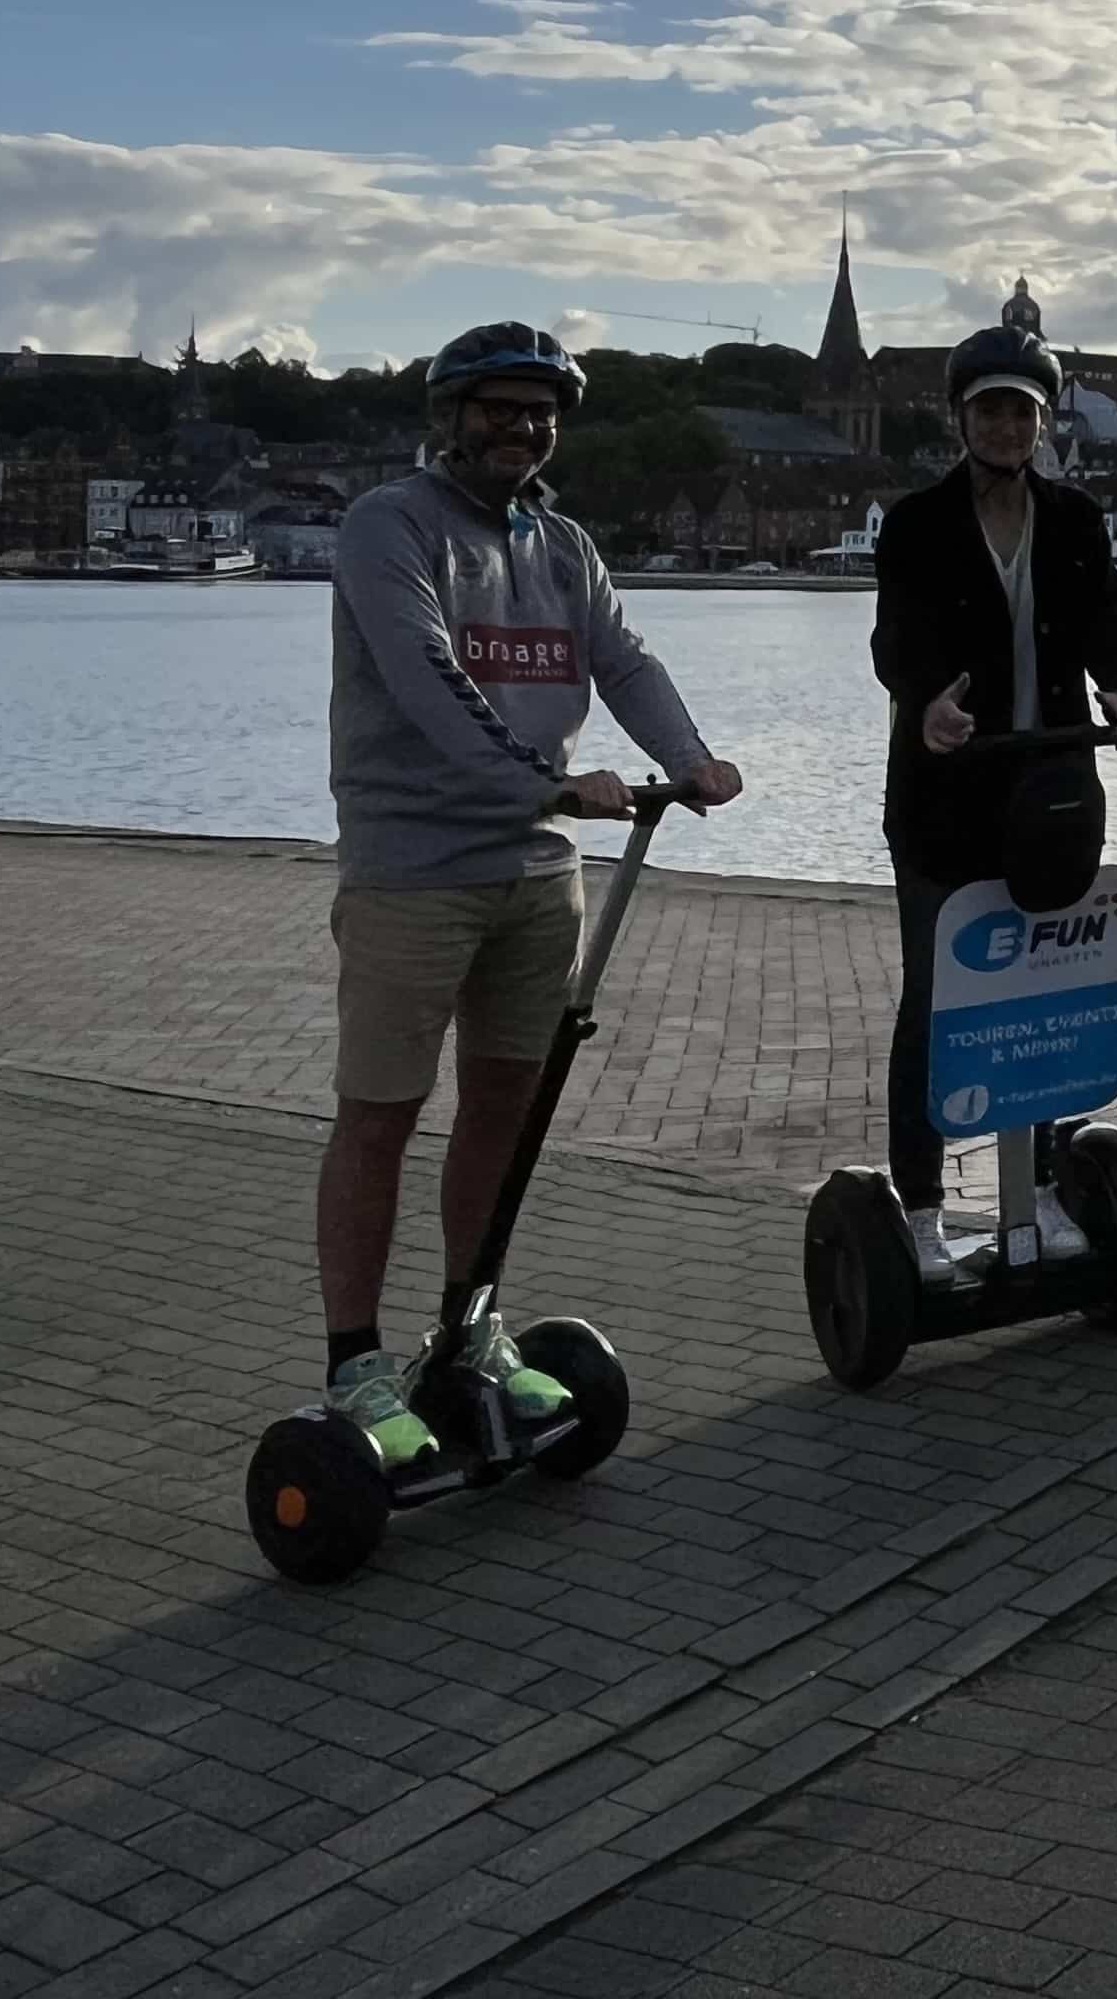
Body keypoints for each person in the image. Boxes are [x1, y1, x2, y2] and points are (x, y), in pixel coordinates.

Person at [316, 323, 743, 1466]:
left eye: (540, 411)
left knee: (505, 1109)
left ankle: (468, 1330)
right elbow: (427, 678)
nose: (521, 427)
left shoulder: (559, 542)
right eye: (498, 408)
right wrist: (548, 783)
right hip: (415, 871)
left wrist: (689, 758)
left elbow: (624, 660)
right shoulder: (388, 528)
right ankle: (355, 1364)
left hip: (536, 873)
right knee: (382, 1116)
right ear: (447, 415)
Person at [869, 324, 1117, 1284]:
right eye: (989, 407)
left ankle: (1039, 1193)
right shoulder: (916, 522)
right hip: (944, 802)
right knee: (937, 1001)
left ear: (1044, 420)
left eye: (1023, 409)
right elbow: (896, 638)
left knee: (1048, 998)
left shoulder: (1075, 517)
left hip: (1050, 795)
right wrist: (926, 706)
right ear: (961, 416)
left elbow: (1107, 618)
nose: (1006, 424)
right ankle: (921, 1208)